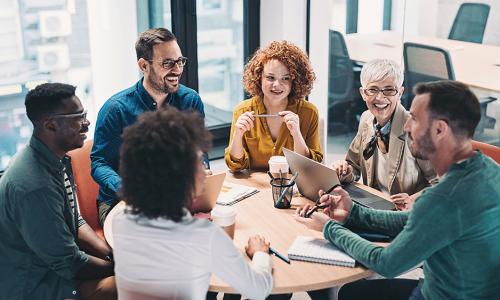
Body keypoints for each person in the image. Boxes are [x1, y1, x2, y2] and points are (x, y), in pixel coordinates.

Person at [295, 80, 500, 299]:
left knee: (350, 294)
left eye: (415, 118)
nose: (406, 126)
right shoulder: (488, 169)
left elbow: (386, 263)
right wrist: (352, 212)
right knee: (353, 292)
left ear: (440, 129)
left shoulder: (443, 198)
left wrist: (330, 228)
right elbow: (413, 220)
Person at [112, 107, 273, 299]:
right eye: (197, 160)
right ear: (179, 174)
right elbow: (259, 290)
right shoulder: (203, 235)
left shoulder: (120, 221)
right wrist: (260, 254)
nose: (204, 168)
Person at [0, 83, 116, 299]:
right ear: (51, 125)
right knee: (134, 285)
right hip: (38, 287)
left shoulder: (54, 158)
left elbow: (75, 220)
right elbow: (69, 263)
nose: (87, 123)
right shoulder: (34, 186)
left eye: (85, 114)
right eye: (78, 117)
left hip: (55, 269)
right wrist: (121, 268)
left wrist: (110, 254)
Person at [91, 27, 206, 226]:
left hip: (175, 196)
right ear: (144, 65)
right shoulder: (115, 109)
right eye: (168, 63)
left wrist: (202, 169)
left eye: (180, 61)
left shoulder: (191, 101)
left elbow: (199, 151)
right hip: (122, 201)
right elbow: (99, 163)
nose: (177, 70)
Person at [332, 59, 436, 210]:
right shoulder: (366, 119)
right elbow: (353, 167)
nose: (380, 98)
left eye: (389, 90)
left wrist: (415, 200)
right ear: (363, 93)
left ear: (400, 93)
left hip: (405, 216)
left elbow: (444, 183)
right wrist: (344, 171)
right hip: (373, 207)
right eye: (373, 89)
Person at [225, 40, 323, 172]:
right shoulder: (242, 111)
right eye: (270, 77)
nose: (277, 85)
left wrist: (296, 134)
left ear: (295, 80)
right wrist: (238, 135)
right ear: (259, 77)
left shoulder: (309, 112)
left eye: (285, 78)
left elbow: (311, 167)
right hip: (256, 188)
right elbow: (235, 166)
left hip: (293, 188)